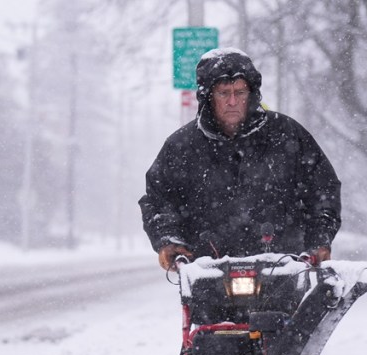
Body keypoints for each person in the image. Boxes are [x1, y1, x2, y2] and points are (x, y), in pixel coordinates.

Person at [140, 48, 341, 270]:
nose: (233, 101)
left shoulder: (286, 135)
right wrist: (168, 240)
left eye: (240, 92)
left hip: (284, 268)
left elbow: (322, 188)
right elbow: (159, 199)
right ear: (208, 97)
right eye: (224, 93)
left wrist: (320, 239)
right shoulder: (182, 146)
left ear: (251, 94)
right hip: (208, 271)